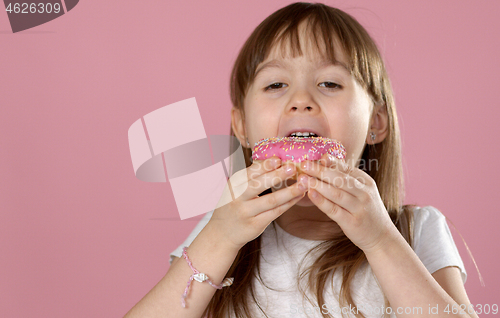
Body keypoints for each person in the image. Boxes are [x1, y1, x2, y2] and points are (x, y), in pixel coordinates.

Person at [124, 3, 478, 318]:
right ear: (242, 127)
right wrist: (218, 237)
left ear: (376, 123)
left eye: (329, 82)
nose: (301, 100)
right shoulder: (221, 229)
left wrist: (380, 240)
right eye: (276, 85)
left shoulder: (414, 231)